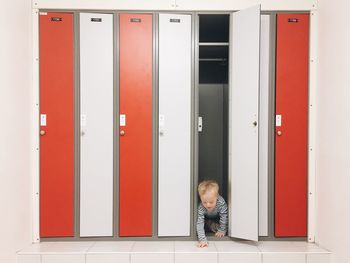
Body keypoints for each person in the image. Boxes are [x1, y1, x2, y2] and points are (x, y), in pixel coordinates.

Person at [196, 180, 228, 248]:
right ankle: (210, 224)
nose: (208, 205)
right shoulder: (201, 207)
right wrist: (202, 240)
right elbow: (200, 223)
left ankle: (213, 225)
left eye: (211, 202)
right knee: (203, 224)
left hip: (217, 217)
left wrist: (222, 230)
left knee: (223, 226)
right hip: (206, 218)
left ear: (217, 197)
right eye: (204, 202)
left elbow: (224, 216)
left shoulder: (221, 202)